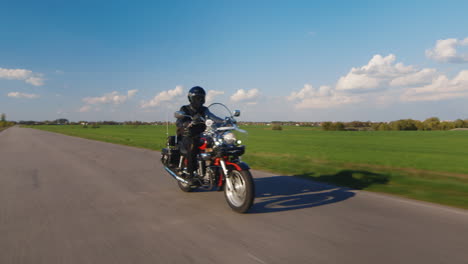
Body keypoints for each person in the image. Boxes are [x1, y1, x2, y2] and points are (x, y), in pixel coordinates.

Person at [176, 86, 209, 182]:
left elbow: (213, 117)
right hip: (188, 136)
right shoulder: (185, 108)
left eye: (201, 97)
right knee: (193, 144)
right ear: (191, 98)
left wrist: (225, 120)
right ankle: (190, 174)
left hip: (202, 135)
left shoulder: (205, 109)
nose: (199, 100)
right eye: (197, 97)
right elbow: (179, 121)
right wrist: (185, 123)